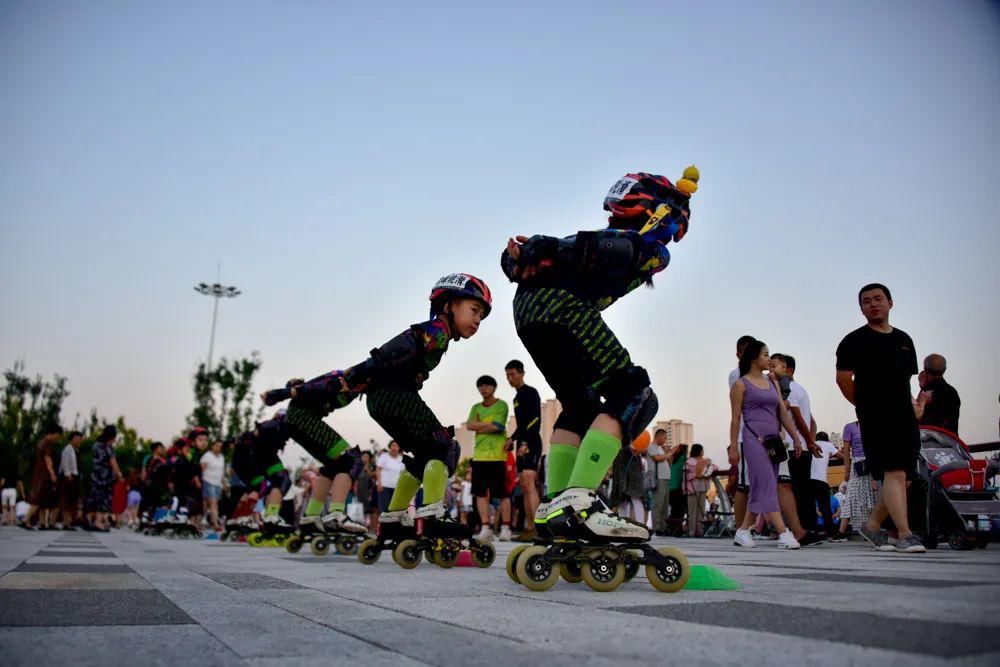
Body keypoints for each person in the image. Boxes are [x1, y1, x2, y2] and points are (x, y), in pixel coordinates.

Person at [502, 168, 695, 554]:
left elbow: (550, 254)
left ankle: (554, 507)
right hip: (563, 310)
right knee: (635, 394)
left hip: (527, 313)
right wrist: (541, 249)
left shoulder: (600, 237)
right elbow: (613, 247)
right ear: (659, 214)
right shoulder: (646, 246)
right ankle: (578, 501)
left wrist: (526, 255)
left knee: (580, 404)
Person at [263, 273, 492, 547]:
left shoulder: (438, 337)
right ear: (449, 305)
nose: (478, 320)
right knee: (444, 448)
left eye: (482, 315)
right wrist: (286, 393)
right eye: (474, 310)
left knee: (424, 455)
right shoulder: (435, 331)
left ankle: (394, 519)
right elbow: (387, 354)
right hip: (394, 396)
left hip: (381, 400)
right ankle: (432, 516)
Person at [836, 282, 926, 553]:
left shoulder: (904, 340)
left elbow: (905, 382)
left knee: (904, 477)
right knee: (894, 472)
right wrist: (866, 406)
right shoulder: (854, 340)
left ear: (890, 302)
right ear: (861, 308)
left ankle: (872, 525)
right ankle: (905, 534)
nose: (873, 304)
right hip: (876, 417)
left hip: (904, 416)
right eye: (866, 301)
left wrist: (912, 408)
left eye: (878, 299)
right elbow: (842, 380)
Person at [730, 341, 804, 549]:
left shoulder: (772, 382)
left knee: (763, 484)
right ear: (753, 358)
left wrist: (796, 438)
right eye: (765, 354)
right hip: (753, 439)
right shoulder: (740, 384)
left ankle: (743, 531)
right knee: (768, 483)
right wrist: (733, 447)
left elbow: (782, 411)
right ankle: (783, 532)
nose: (769, 359)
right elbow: (736, 418)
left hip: (774, 441)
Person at [767, 353, 824, 546]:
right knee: (802, 490)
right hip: (800, 444)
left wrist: (807, 441)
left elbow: (798, 417)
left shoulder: (788, 389)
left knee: (795, 490)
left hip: (793, 446)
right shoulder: (800, 389)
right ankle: (807, 529)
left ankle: (802, 529)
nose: (772, 370)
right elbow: (811, 421)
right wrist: (811, 440)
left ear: (788, 370)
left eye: (777, 366)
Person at [467, 374, 511, 542]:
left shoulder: (502, 405)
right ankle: (486, 528)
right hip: (479, 457)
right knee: (480, 494)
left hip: (497, 456)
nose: (483, 388)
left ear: (493, 387)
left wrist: (480, 426)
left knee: (502, 494)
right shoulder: (476, 407)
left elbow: (499, 426)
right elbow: (469, 425)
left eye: (486, 385)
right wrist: (488, 425)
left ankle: (506, 528)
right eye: (480, 386)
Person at [505, 359, 543, 542]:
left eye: (512, 374)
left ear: (521, 373)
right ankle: (529, 528)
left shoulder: (531, 393)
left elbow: (535, 420)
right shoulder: (516, 398)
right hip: (521, 443)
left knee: (529, 481)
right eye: (507, 375)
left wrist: (525, 442)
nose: (509, 378)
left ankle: (538, 528)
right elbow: (521, 425)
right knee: (525, 486)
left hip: (532, 442)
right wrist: (511, 439)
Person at [727, 334, 757, 529]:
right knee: (744, 483)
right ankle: (740, 528)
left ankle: (753, 526)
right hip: (745, 435)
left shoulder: (760, 374)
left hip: (761, 435)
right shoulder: (737, 375)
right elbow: (737, 411)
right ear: (738, 354)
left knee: (759, 482)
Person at [835, 420, 876, 540]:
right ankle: (841, 532)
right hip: (856, 464)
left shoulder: (874, 425)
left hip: (871, 464)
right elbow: (846, 451)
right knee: (850, 496)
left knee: (870, 497)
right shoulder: (849, 427)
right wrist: (846, 472)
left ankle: (868, 530)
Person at [22, 424, 63, 530]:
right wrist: (52, 473)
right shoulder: (47, 444)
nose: (58, 438)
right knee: (38, 499)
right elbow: (47, 459)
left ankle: (42, 522)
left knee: (42, 500)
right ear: (53, 433)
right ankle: (26, 519)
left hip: (39, 474)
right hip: (44, 475)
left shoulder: (40, 442)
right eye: (58, 435)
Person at [85, 425, 124, 531]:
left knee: (95, 497)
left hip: (95, 476)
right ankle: (98, 522)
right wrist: (119, 475)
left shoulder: (95, 445)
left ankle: (89, 519)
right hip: (105, 477)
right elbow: (113, 462)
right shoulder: (108, 447)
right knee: (103, 499)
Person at [916, 354, 961, 434]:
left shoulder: (924, 394)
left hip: (926, 441)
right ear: (944, 370)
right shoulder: (952, 392)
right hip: (948, 442)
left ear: (925, 370)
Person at [809, 432, 839, 537]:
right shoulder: (829, 445)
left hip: (809, 479)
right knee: (825, 507)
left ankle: (812, 530)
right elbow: (840, 455)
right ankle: (830, 531)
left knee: (810, 506)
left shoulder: (812, 443)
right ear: (827, 439)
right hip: (821, 480)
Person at [610, 439, 646, 523]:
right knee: (624, 500)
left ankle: (639, 524)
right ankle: (625, 524)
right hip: (622, 474)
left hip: (629, 475)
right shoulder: (624, 447)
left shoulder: (629, 445)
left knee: (634, 499)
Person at [646, 429, 674, 535]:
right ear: (658, 436)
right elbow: (656, 458)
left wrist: (668, 454)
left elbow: (668, 461)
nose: (665, 440)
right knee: (658, 503)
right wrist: (667, 455)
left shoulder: (661, 449)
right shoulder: (651, 446)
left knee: (665, 504)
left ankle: (663, 526)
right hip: (658, 478)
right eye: (664, 437)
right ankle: (656, 527)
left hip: (665, 477)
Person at [683, 444, 712, 537]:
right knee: (693, 511)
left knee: (700, 510)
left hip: (702, 488)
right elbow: (685, 475)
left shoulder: (705, 461)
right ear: (699, 451)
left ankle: (699, 531)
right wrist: (696, 474)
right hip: (692, 489)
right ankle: (692, 532)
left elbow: (713, 469)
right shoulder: (689, 462)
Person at [57, 431, 83, 529]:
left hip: (75, 476)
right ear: (73, 438)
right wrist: (68, 475)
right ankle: (66, 522)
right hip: (69, 477)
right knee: (67, 501)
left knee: (72, 501)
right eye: (78, 438)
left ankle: (68, 521)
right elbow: (65, 462)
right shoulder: (68, 449)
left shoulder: (76, 450)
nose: (79, 440)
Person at [201, 439, 226, 533]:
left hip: (218, 483)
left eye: (220, 446)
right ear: (212, 446)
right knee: (213, 503)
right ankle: (215, 523)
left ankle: (204, 520)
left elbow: (221, 472)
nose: (218, 448)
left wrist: (224, 483)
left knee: (208, 504)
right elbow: (202, 470)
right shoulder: (207, 456)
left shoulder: (222, 457)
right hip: (208, 481)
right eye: (217, 446)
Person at [376, 441, 405, 513]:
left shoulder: (401, 458)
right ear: (390, 446)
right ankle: (383, 523)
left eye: (396, 446)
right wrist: (379, 483)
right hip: (384, 486)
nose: (394, 448)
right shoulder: (384, 456)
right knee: (384, 508)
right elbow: (378, 470)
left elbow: (402, 474)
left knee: (394, 509)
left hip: (396, 488)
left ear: (399, 448)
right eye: (393, 445)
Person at [667, 443, 688, 533]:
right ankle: (677, 528)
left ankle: (671, 527)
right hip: (678, 487)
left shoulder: (673, 459)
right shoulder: (684, 458)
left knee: (674, 509)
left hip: (670, 486)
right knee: (679, 509)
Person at [356, 451, 377, 527]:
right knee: (358, 510)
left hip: (369, 493)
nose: (364, 458)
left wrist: (367, 468)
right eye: (363, 456)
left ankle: (371, 528)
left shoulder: (372, 467)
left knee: (371, 510)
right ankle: (359, 526)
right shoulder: (357, 467)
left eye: (366, 457)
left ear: (369, 459)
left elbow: (373, 476)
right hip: (358, 492)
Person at [1, 459, 23, 526]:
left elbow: (2, 483)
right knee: (12, 507)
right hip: (13, 490)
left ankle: (5, 519)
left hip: (5, 490)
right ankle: (12, 520)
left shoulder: (5, 473)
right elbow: (20, 484)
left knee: (4, 507)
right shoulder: (17, 474)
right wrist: (22, 494)